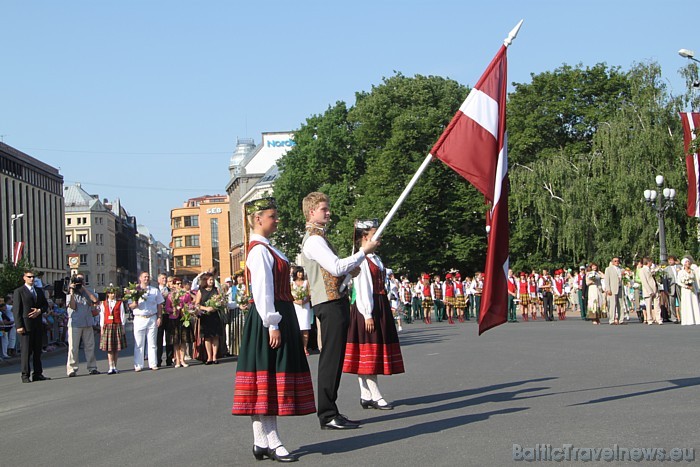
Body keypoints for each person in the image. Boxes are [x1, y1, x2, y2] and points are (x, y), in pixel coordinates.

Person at [232, 197, 315, 462]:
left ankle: (260, 441)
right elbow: (262, 291)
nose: (277, 220)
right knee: (267, 379)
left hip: (279, 315)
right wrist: (272, 323)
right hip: (271, 319)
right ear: (258, 219)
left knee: (264, 379)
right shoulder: (259, 251)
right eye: (272, 216)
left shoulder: (269, 249)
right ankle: (272, 440)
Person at [299, 192, 379, 430]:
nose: (328, 212)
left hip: (334, 301)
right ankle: (327, 413)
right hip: (329, 304)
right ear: (312, 212)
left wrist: (348, 271)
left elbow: (336, 271)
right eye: (324, 209)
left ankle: (330, 410)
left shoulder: (318, 238)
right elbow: (334, 266)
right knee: (331, 360)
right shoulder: (314, 240)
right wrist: (363, 252)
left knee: (334, 359)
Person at [343, 219, 404, 410]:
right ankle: (375, 395)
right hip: (367, 307)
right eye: (375, 234)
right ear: (364, 237)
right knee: (370, 351)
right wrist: (367, 313)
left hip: (379, 304)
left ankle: (365, 394)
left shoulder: (375, 258)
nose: (379, 237)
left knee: (368, 351)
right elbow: (362, 288)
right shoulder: (361, 258)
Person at [13, 270, 50, 383]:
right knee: (26, 351)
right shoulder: (19, 291)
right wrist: (19, 325)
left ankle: (38, 373)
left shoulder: (38, 291)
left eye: (33, 277)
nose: (32, 279)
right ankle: (25, 375)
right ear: (24, 278)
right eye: (29, 277)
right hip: (26, 325)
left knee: (37, 351)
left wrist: (39, 310)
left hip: (37, 324)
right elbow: (17, 310)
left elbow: (45, 305)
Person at [128, 271, 165, 371]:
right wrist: (134, 304)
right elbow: (130, 305)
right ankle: (138, 365)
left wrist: (159, 317)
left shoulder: (154, 290)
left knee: (152, 343)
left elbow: (159, 304)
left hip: (152, 317)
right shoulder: (134, 291)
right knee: (139, 343)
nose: (146, 279)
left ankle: (153, 363)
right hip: (140, 317)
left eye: (148, 277)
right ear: (140, 278)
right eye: (144, 277)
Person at [66, 274, 100, 376]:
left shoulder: (88, 292)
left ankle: (92, 367)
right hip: (75, 324)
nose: (79, 283)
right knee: (73, 347)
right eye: (77, 280)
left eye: (81, 280)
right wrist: (72, 292)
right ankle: (72, 369)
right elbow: (72, 306)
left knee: (90, 346)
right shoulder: (70, 293)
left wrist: (84, 288)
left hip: (87, 322)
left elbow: (95, 300)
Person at [194, 273, 224, 364]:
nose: (211, 281)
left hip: (214, 316)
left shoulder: (216, 290)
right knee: (207, 337)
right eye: (210, 280)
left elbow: (221, 300)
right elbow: (197, 304)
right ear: (205, 281)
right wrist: (206, 308)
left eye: (212, 280)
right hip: (205, 316)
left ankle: (215, 356)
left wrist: (217, 305)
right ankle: (209, 357)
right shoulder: (201, 291)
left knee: (215, 336)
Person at [99, 286, 127, 374]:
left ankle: (115, 366)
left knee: (115, 348)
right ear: (107, 294)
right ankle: (110, 366)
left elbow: (122, 315)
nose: (112, 295)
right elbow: (102, 316)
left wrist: (123, 327)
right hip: (107, 325)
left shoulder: (119, 303)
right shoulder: (103, 303)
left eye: (114, 293)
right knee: (109, 348)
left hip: (117, 325)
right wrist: (101, 327)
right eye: (110, 293)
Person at [291, 266, 312, 356]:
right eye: (298, 272)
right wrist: (296, 301)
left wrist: (305, 301)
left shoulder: (306, 282)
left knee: (305, 328)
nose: (300, 274)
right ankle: (297, 347)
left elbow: (310, 294)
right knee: (297, 327)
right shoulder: (292, 283)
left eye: (301, 272)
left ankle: (305, 348)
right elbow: (289, 294)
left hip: (305, 306)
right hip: (296, 306)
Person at [156, 273, 174, 367]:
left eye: (165, 278)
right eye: (162, 278)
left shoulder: (170, 290)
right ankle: (158, 359)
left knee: (169, 338)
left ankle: (169, 358)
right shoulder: (156, 290)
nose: (164, 280)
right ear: (158, 280)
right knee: (158, 339)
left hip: (168, 316)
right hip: (159, 315)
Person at [677, 257, 700, 325]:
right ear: (684, 264)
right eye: (687, 262)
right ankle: (688, 320)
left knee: (694, 303)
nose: (688, 263)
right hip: (685, 290)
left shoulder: (692, 271)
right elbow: (678, 282)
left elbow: (695, 281)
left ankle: (696, 319)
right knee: (687, 303)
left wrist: (696, 289)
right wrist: (686, 286)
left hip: (692, 290)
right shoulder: (681, 272)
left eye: (688, 262)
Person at [640, 257, 661, 325]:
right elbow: (644, 282)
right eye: (651, 262)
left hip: (655, 288)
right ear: (648, 262)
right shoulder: (642, 270)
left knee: (657, 305)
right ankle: (649, 319)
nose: (652, 263)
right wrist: (650, 291)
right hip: (648, 290)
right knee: (648, 306)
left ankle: (658, 318)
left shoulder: (651, 270)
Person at [604, 258, 623, 325]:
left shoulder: (620, 269)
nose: (617, 262)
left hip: (620, 287)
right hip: (612, 289)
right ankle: (611, 320)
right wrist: (608, 289)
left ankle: (621, 319)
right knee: (613, 304)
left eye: (618, 261)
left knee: (620, 304)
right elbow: (606, 280)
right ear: (612, 262)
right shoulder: (608, 269)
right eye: (615, 261)